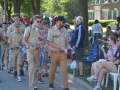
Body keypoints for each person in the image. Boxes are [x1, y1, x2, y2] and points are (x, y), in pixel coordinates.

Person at [47, 16, 70, 90]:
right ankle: (51, 83)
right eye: (63, 22)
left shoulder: (65, 30)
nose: (64, 23)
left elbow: (66, 41)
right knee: (53, 70)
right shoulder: (51, 30)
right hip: (54, 53)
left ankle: (65, 87)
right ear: (58, 21)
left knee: (64, 71)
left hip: (63, 54)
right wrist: (60, 47)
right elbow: (50, 43)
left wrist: (69, 47)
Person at [22, 15, 41, 90]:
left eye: (40, 21)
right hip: (30, 51)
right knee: (31, 68)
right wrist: (28, 46)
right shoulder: (28, 29)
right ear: (34, 21)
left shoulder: (40, 30)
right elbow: (23, 40)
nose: (39, 23)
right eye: (38, 21)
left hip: (38, 50)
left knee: (35, 68)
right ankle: (31, 86)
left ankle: (34, 83)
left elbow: (42, 39)